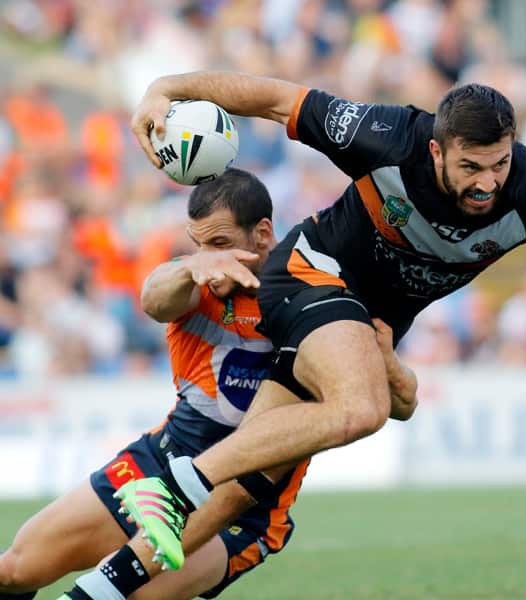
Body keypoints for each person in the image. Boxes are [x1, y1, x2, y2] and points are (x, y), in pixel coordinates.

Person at [118, 67, 526, 569]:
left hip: (369, 321)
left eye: (500, 164)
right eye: (471, 167)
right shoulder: (387, 135)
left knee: (249, 488)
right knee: (360, 408)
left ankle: (103, 585)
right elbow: (277, 100)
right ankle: (175, 486)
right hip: (311, 274)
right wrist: (167, 89)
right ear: (437, 149)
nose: (487, 183)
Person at [0, 168, 417, 600]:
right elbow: (153, 298)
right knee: (14, 569)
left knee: (131, 596)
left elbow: (402, 404)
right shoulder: (196, 283)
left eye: (220, 244)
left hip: (249, 507)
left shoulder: (318, 295)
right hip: (158, 463)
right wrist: (192, 265)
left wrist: (383, 358)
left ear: (262, 233)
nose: (210, 259)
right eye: (198, 244)